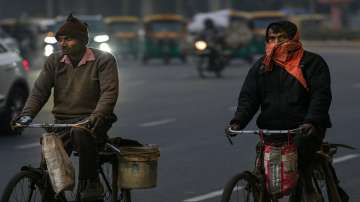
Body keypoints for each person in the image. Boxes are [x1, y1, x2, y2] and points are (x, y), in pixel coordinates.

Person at [14, 14, 119, 201]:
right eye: (60, 40)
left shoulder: (104, 59)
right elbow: (39, 92)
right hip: (62, 122)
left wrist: (98, 114)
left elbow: (109, 93)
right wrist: (26, 116)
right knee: (50, 167)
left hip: (94, 120)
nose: (63, 44)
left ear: (82, 40)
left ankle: (91, 182)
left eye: (68, 39)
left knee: (80, 133)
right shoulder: (54, 61)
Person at [227, 21, 332, 201]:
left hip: (304, 128)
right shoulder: (261, 65)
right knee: (265, 173)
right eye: (272, 38)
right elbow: (249, 98)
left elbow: (320, 96)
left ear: (294, 38)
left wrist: (311, 121)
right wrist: (237, 121)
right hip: (271, 129)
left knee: (300, 159)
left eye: (281, 38)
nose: (276, 42)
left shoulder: (312, 62)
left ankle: (308, 187)